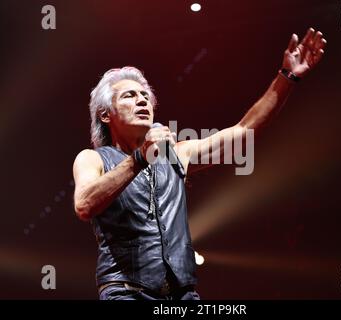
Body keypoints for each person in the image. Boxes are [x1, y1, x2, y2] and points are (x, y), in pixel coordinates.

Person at [73, 28, 327, 300]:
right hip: (127, 293)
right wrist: (138, 160)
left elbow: (243, 132)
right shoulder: (93, 158)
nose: (142, 100)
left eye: (145, 96)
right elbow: (85, 204)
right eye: (129, 96)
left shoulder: (176, 154)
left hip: (182, 295)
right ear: (105, 114)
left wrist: (287, 77)